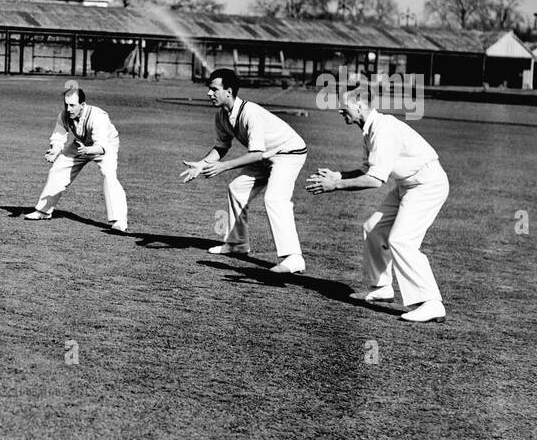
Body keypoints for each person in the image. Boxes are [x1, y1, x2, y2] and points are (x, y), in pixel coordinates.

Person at [305, 88, 449, 323]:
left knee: (401, 240)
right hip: (407, 184)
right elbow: (367, 170)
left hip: (427, 184)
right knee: (374, 228)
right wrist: (338, 175)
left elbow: (375, 180)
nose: (340, 110)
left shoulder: (383, 130)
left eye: (345, 106)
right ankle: (382, 288)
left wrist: (335, 186)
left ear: (360, 106)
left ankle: (432, 303)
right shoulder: (368, 130)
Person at [179, 68, 308, 273]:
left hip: (289, 153)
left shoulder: (250, 113)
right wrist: (202, 164)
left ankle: (294, 258)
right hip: (265, 155)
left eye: (214, 89)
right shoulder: (222, 115)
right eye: (209, 89)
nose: (209, 93)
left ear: (228, 91)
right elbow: (221, 147)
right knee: (237, 188)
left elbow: (255, 154)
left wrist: (223, 166)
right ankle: (237, 244)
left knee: (274, 199)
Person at [24, 84, 128, 233]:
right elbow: (59, 136)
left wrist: (88, 150)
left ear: (82, 105)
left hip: (105, 144)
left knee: (108, 175)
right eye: (66, 105)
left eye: (72, 105)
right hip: (80, 144)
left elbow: (102, 146)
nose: (68, 109)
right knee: (57, 169)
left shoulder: (98, 117)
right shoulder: (64, 115)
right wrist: (54, 151)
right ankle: (43, 211)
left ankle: (120, 221)